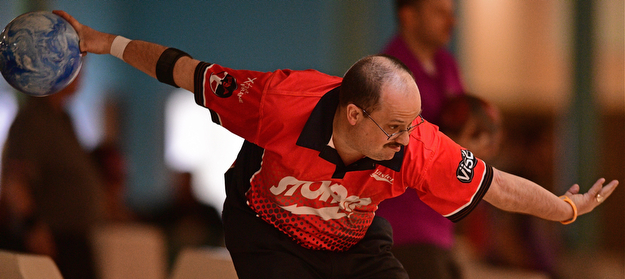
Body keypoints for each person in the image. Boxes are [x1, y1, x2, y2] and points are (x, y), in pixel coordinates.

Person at [54, 10, 619, 279]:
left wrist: (565, 208)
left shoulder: (417, 143)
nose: (404, 141)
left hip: (352, 235)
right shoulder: (276, 100)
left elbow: (497, 187)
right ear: (353, 113)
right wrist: (105, 41)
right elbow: (184, 70)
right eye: (393, 128)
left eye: (411, 127)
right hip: (268, 226)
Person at [375, 1, 470, 278]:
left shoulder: (446, 64)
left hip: (441, 224)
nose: (452, 22)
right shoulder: (386, 72)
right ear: (409, 16)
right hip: (403, 226)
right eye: (440, 12)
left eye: (451, 13)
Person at [0, 73, 105, 279]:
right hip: (52, 241)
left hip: (74, 240)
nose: (81, 73)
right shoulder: (33, 119)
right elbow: (15, 181)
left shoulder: (64, 118)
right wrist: (32, 227)